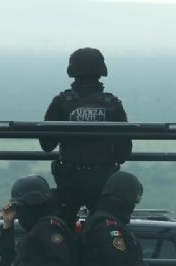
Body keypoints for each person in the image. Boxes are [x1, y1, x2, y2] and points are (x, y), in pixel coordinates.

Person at [40, 47, 132, 224]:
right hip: (102, 181)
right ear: (102, 71)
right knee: (104, 227)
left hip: (68, 181)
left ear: (72, 71)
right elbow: (123, 153)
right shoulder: (112, 105)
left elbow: (46, 145)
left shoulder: (61, 103)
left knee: (60, 227)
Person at [81, 171, 166, 266]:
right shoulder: (107, 227)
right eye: (134, 198)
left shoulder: (109, 223)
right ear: (126, 197)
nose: (134, 204)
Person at [0, 175, 79, 266]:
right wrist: (7, 225)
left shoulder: (48, 228)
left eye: (20, 206)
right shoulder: (34, 231)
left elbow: (61, 263)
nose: (18, 211)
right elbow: (9, 259)